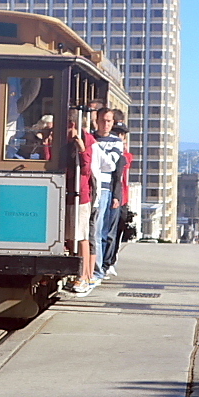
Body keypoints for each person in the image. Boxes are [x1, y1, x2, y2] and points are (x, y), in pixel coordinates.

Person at [90, 108, 123, 284]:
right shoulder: (91, 137)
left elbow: (110, 164)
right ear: (97, 121)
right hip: (88, 186)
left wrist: (93, 146)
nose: (106, 124)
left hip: (103, 188)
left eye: (109, 121)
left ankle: (99, 268)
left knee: (99, 229)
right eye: (103, 120)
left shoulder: (116, 142)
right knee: (90, 230)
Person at [65, 112, 95, 296]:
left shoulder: (88, 139)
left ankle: (83, 276)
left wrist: (82, 148)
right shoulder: (63, 140)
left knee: (81, 234)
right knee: (69, 235)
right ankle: (72, 272)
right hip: (65, 191)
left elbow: (87, 169)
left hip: (80, 194)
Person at [105, 120, 133, 276]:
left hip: (123, 198)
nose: (120, 137)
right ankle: (108, 261)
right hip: (114, 195)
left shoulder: (125, 155)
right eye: (117, 134)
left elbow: (127, 161)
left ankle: (112, 259)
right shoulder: (118, 154)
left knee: (118, 231)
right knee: (109, 231)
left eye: (122, 134)